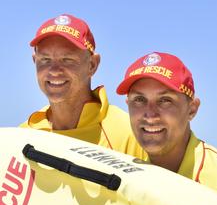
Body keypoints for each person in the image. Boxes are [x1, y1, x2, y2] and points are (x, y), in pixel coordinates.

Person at [116, 52, 217, 205]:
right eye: (139, 100)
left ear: (192, 109)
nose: (150, 114)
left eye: (165, 100)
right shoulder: (129, 179)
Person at [22, 14, 145, 159]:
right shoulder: (24, 133)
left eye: (67, 59)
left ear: (92, 65)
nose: (54, 70)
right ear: (34, 61)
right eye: (45, 60)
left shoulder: (129, 134)